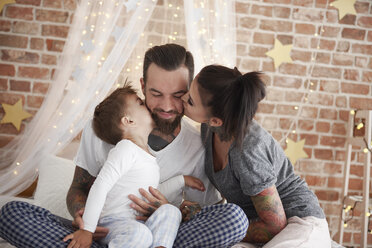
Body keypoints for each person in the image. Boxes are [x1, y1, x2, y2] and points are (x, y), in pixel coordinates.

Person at [0, 44, 248, 248]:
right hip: (105, 231)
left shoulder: (199, 145)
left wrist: (177, 211)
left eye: (178, 95)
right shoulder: (102, 129)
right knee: (12, 213)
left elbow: (207, 211)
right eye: (156, 94)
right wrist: (84, 219)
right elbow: (79, 187)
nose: (167, 106)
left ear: (189, 92)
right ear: (142, 87)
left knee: (234, 219)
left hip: (162, 235)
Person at [180, 64, 332, 247]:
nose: (182, 97)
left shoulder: (247, 151)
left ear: (216, 120)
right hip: (255, 225)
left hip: (298, 222)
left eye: (190, 101)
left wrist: (211, 224)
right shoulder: (209, 129)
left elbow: (275, 225)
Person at [63, 85, 183, 248]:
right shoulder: (125, 148)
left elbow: (154, 192)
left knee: (171, 211)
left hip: (138, 225)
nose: (146, 105)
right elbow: (100, 185)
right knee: (140, 234)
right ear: (128, 120)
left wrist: (182, 181)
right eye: (140, 103)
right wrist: (88, 230)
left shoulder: (149, 158)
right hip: (113, 223)